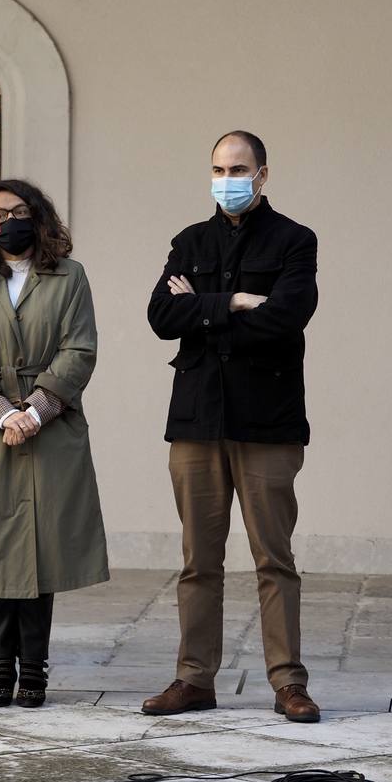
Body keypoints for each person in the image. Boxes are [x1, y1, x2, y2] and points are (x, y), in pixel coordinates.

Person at [143, 130, 322, 723]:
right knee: (199, 560)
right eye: (219, 168)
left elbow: (287, 318)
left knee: (274, 557)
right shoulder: (189, 240)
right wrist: (237, 302)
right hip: (197, 420)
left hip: (266, 421)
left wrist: (204, 307)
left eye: (239, 168)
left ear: (263, 174)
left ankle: (288, 682)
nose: (228, 178)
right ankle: (193, 678)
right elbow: (161, 316)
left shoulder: (296, 241)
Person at [0, 178, 109, 709]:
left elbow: (79, 350)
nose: (6, 223)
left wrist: (35, 411)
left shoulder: (70, 276)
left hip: (51, 428)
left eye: (18, 212)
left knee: (40, 555)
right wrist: (0, 412)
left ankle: (34, 670)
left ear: (38, 217)